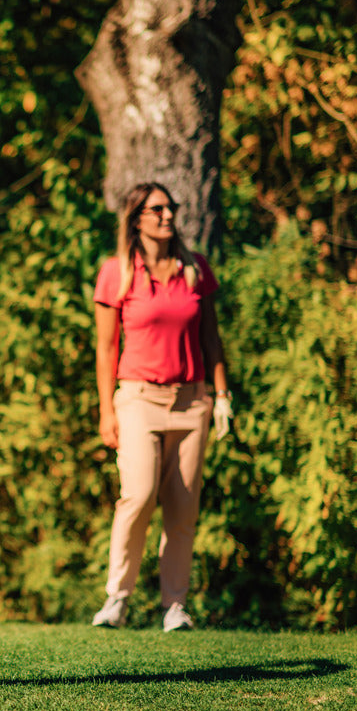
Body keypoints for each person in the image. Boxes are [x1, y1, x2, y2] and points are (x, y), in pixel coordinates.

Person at [90, 182, 233, 632]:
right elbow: (106, 347)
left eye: (171, 207)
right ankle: (118, 596)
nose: (168, 215)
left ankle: (174, 605)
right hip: (137, 397)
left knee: (183, 507)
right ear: (137, 219)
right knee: (139, 494)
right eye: (157, 209)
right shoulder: (117, 272)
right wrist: (106, 411)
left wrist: (222, 394)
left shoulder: (195, 270)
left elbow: (211, 337)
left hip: (192, 402)